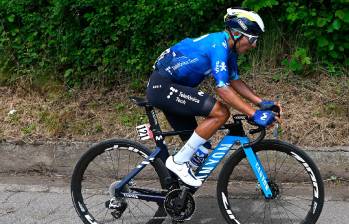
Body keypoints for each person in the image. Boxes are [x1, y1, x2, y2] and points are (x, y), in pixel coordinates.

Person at [146, 8, 281, 187]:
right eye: (252, 39)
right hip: (163, 87)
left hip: (172, 88)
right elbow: (222, 89)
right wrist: (253, 113)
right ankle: (178, 163)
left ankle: (175, 192)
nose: (254, 45)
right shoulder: (218, 45)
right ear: (236, 33)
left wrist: (261, 103)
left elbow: (234, 81)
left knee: (200, 149)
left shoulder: (229, 51)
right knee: (220, 112)